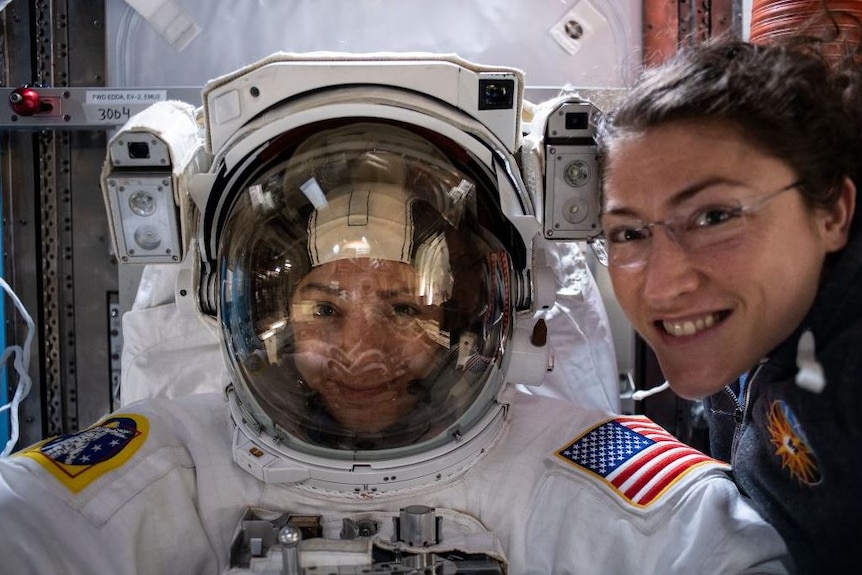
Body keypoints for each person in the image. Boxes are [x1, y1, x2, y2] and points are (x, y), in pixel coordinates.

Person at [0, 84, 791, 573]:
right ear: (248, 312)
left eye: (407, 308)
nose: (360, 350)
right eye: (322, 307)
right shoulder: (181, 458)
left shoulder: (556, 463)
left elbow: (701, 542)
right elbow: (33, 523)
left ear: (473, 315)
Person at [593, 25, 862, 575]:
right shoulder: (759, 329)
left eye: (715, 217)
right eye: (628, 233)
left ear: (831, 213)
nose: (663, 285)